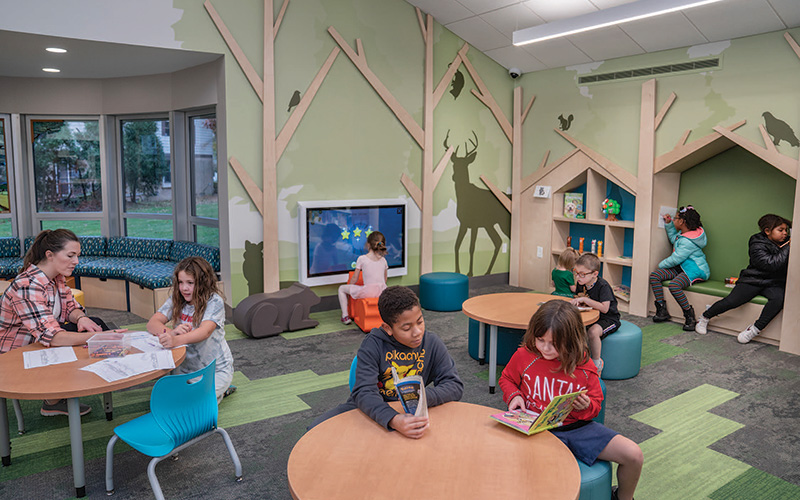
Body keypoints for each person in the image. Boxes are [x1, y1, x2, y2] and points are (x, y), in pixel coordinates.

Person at [499, 300, 643, 500]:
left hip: (578, 428)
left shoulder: (583, 363)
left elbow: (595, 406)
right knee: (555, 478)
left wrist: (585, 407)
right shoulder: (525, 355)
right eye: (541, 340)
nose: (546, 349)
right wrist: (514, 396)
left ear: (571, 340)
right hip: (538, 430)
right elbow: (506, 378)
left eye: (555, 344)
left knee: (633, 454)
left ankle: (623, 498)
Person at [309, 286, 463, 438]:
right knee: (315, 432)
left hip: (411, 411)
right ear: (388, 328)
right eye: (406, 328)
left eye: (420, 321)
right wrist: (393, 419)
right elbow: (363, 392)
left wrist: (420, 398)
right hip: (369, 408)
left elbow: (454, 385)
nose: (417, 332)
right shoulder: (372, 345)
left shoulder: (432, 343)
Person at [0, 229, 109, 417]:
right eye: (70, 255)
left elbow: (70, 307)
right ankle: (55, 399)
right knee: (96, 335)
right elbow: (54, 338)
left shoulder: (55, 277)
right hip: (16, 354)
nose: (76, 261)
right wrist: (97, 337)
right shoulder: (27, 285)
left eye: (77, 256)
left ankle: (95, 378)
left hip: (40, 340)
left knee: (94, 322)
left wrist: (82, 318)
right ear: (49, 255)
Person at [147, 256, 235, 404]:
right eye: (181, 282)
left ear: (203, 283)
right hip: (184, 369)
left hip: (214, 371)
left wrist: (176, 340)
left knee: (193, 405)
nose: (184, 288)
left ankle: (221, 391)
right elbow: (152, 323)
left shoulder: (214, 301)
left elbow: (204, 332)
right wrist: (170, 333)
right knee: (164, 399)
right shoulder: (177, 298)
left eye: (190, 283)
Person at [696, 214, 791, 343]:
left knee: (779, 299)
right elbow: (770, 264)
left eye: (786, 230)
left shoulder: (788, 242)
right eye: (780, 230)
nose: (784, 233)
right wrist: (788, 247)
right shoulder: (757, 241)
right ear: (767, 231)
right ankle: (705, 317)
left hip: (773, 282)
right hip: (753, 279)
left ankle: (754, 330)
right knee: (732, 301)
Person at [650, 205, 709, 330]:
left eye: (675, 218)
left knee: (674, 285)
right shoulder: (683, 235)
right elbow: (674, 239)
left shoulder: (688, 241)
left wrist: (660, 265)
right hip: (681, 268)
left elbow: (676, 258)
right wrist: (669, 224)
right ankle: (661, 309)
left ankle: (689, 315)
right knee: (655, 276)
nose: (674, 220)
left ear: (682, 222)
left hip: (695, 270)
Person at [570, 252, 620, 375]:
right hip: (591, 316)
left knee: (592, 332)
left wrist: (586, 300)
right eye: (576, 273)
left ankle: (597, 363)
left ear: (595, 274)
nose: (578, 277)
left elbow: (604, 308)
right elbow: (581, 298)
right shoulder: (581, 284)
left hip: (609, 319)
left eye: (582, 274)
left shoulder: (603, 286)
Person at [338, 231, 388, 325]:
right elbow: (385, 280)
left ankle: (345, 316)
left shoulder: (362, 258)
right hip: (382, 292)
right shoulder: (384, 260)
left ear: (368, 244)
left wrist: (350, 287)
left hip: (368, 292)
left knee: (341, 288)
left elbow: (355, 278)